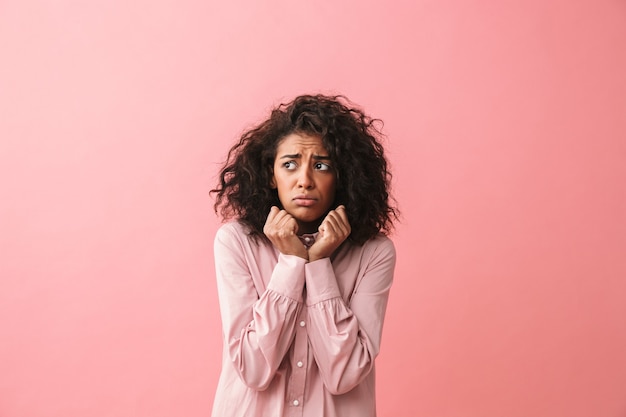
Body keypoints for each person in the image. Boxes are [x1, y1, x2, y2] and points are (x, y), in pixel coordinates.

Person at [210, 94, 398, 417]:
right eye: (290, 164)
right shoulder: (236, 242)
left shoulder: (374, 253)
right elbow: (253, 369)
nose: (305, 180)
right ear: (271, 175)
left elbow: (346, 373)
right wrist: (292, 263)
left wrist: (319, 263)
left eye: (321, 165)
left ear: (341, 176)